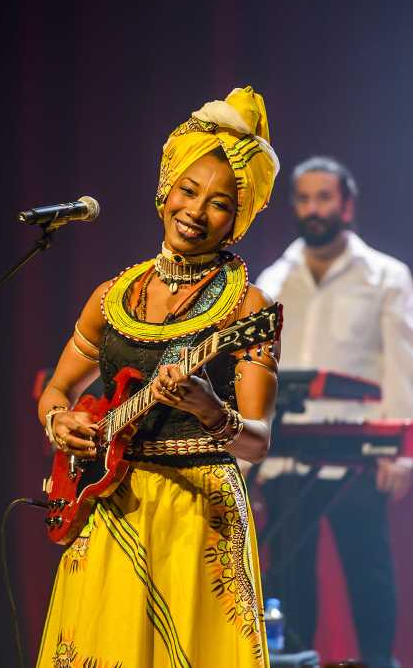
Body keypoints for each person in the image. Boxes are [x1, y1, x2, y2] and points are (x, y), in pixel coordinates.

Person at [35, 86, 282, 667]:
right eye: (188, 191)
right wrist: (57, 420)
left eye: (220, 203)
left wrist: (207, 409)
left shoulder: (248, 308)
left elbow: (259, 440)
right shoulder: (112, 294)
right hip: (108, 502)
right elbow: (56, 389)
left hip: (197, 514)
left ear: (238, 218)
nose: (195, 212)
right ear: (165, 189)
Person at [254, 156, 413, 668]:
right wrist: (246, 463)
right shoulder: (273, 280)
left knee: (369, 570)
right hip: (286, 453)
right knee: (288, 579)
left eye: (325, 198)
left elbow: (402, 364)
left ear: (347, 203)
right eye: (304, 198)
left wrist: (402, 450)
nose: (314, 209)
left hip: (359, 451)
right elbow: (254, 375)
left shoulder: (385, 275)